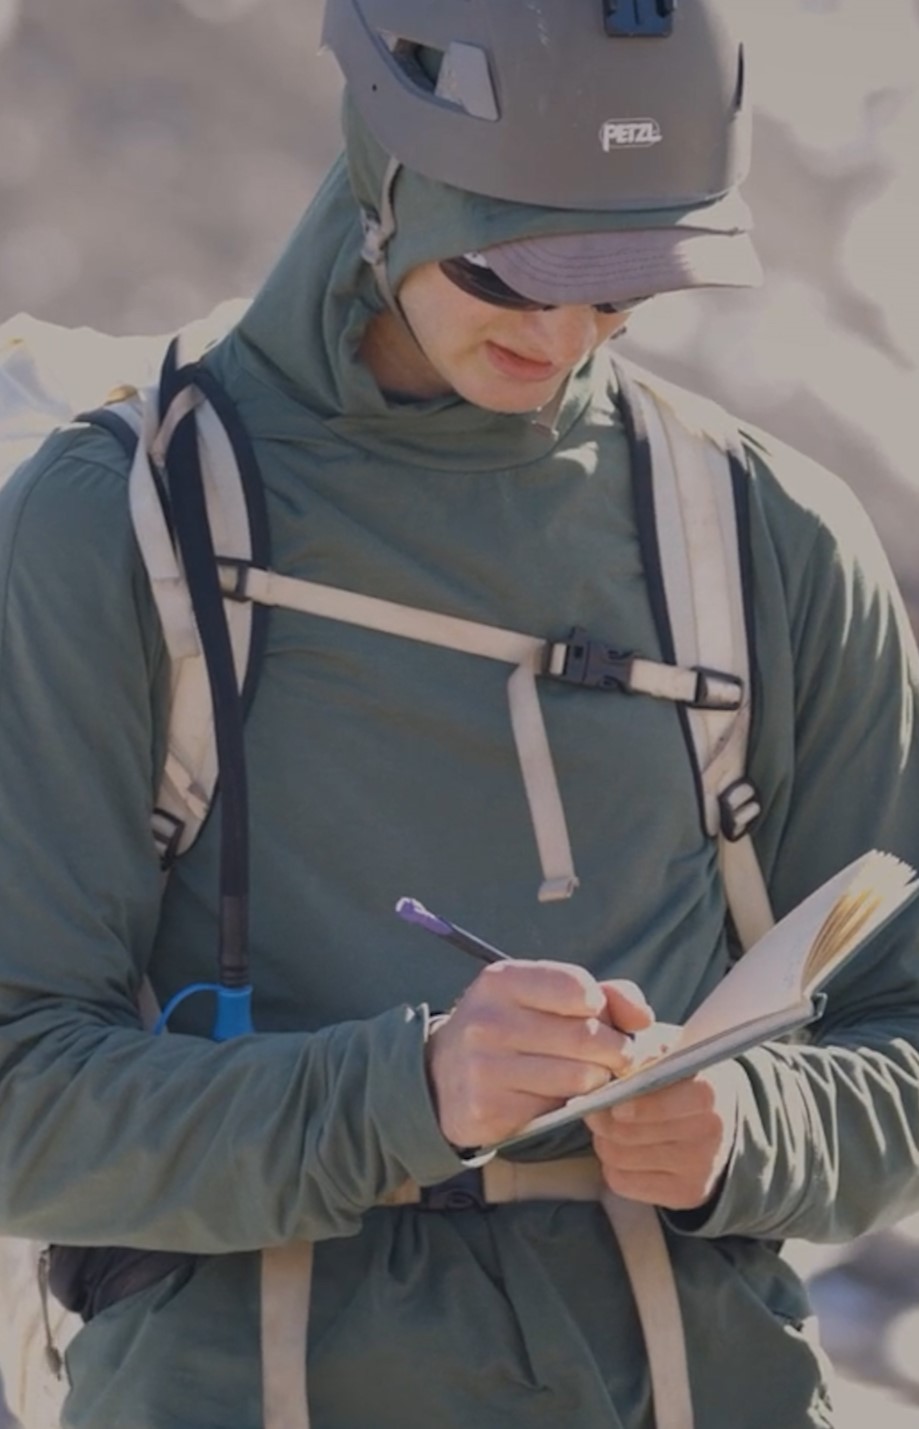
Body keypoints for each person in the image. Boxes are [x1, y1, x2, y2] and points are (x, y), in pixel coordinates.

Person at [1, 2, 919, 1427]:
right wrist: (409, 1092)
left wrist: (747, 1125)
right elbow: (20, 1096)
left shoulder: (776, 541)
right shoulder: (106, 530)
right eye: (518, 267)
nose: (565, 333)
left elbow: (901, 1039)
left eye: (625, 281)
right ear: (390, 169)